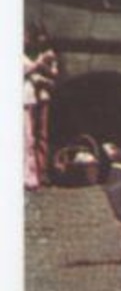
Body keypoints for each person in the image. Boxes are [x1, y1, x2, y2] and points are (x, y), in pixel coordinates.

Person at [23, 23, 60, 190]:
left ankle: (42, 171)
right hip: (30, 97)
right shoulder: (27, 55)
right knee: (29, 136)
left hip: (43, 97)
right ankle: (31, 172)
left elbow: (54, 74)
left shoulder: (48, 54)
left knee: (41, 135)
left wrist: (43, 65)